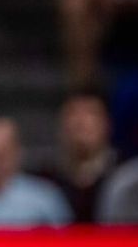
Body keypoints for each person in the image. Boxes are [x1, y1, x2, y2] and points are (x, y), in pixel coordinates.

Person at [38, 90, 118, 222]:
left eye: (91, 113)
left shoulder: (123, 177)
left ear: (107, 124)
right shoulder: (45, 179)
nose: (81, 122)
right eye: (73, 113)